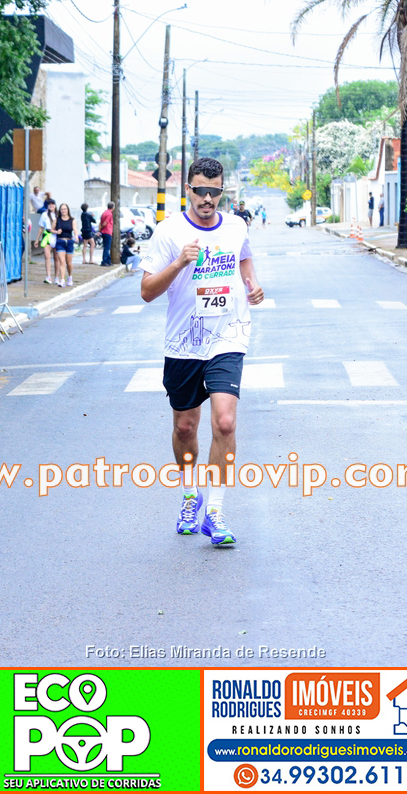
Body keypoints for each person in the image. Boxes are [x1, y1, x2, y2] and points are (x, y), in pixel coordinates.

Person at [139, 156, 265, 546]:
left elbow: (244, 257)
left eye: (214, 191)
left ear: (222, 191)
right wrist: (179, 262)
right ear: (188, 190)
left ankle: (215, 512)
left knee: (224, 423)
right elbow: (146, 291)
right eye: (200, 191)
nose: (207, 199)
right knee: (185, 427)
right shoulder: (169, 231)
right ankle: (189, 494)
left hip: (228, 336)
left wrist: (252, 284)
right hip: (183, 342)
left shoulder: (236, 225)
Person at [53, 203, 78, 288]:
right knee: (62, 261)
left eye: (65, 209)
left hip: (69, 242)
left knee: (69, 263)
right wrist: (56, 232)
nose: (63, 211)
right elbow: (51, 230)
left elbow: (75, 229)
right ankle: (62, 280)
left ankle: (70, 277)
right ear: (60, 210)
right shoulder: (57, 220)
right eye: (62, 209)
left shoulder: (72, 220)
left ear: (68, 210)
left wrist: (76, 236)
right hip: (60, 242)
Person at [100, 201, 114, 266]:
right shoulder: (109, 214)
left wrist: (101, 229)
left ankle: (108, 261)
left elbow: (101, 222)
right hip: (107, 231)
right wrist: (101, 228)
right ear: (113, 207)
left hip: (104, 232)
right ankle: (105, 261)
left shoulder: (104, 213)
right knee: (107, 247)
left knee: (106, 247)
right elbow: (105, 223)